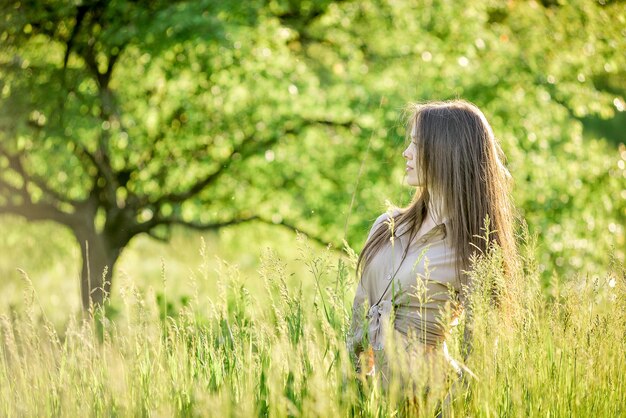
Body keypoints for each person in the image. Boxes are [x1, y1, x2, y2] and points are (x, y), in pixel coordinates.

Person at [347, 99, 518, 415]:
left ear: (445, 153)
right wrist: (355, 389)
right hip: (373, 403)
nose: (406, 153)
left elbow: (480, 360)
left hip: (431, 403)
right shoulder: (385, 227)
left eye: (416, 144)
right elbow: (358, 321)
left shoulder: (471, 250)